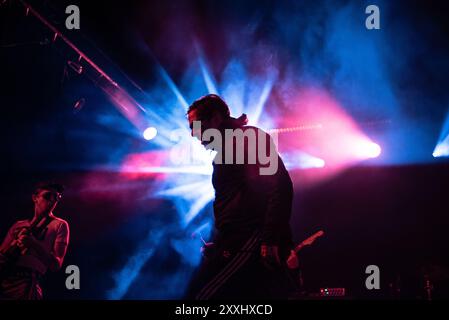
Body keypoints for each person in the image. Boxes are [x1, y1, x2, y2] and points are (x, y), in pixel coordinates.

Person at [185, 94, 295, 300]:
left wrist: (269, 238)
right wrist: (221, 245)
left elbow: (280, 186)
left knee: (201, 296)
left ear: (216, 119)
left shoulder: (248, 139)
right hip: (239, 242)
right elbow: (239, 200)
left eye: (195, 125)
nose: (193, 134)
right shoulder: (225, 151)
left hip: (252, 238)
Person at [0, 182, 70, 300]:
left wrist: (33, 244)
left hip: (27, 283)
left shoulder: (60, 225)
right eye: (48, 196)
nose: (52, 201)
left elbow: (56, 265)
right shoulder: (18, 225)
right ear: (35, 198)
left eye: (56, 197)